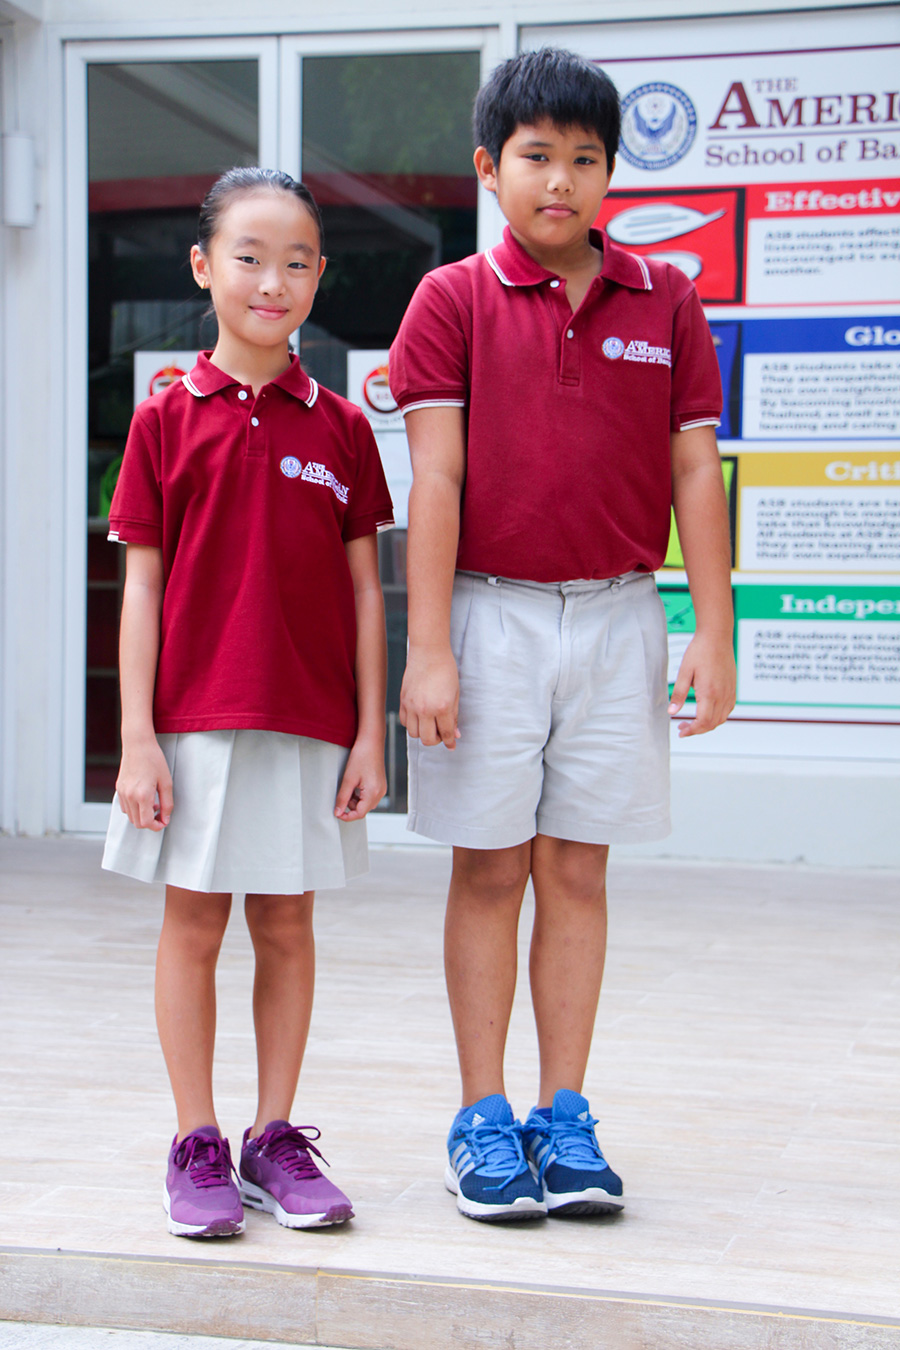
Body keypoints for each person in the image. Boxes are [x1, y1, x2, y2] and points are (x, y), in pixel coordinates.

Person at [389, 48, 735, 1223]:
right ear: (491, 168)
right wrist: (426, 644)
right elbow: (434, 476)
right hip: (488, 617)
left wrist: (712, 628)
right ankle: (481, 1118)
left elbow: (696, 466)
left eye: (587, 160)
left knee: (578, 871)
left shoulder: (666, 300)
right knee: (487, 870)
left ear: (610, 176)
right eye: (537, 156)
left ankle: (564, 1112)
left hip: (621, 615)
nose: (562, 181)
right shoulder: (452, 302)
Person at [102, 167, 393, 1238]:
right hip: (190, 720)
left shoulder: (345, 430)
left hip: (312, 720)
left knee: (288, 923)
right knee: (191, 927)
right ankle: (196, 1140)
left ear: (319, 276)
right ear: (203, 267)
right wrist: (136, 738)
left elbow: (367, 589)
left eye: (298, 262)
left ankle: (275, 1137)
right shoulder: (166, 419)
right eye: (250, 257)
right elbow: (141, 587)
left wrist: (372, 733)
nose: (274, 281)